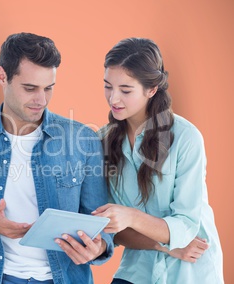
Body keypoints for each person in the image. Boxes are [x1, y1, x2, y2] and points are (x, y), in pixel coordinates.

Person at [0, 32, 114, 284]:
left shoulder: (83, 141)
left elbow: (100, 222)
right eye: (30, 88)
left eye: (48, 88)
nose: (41, 100)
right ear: (2, 76)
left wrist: (97, 248)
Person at [93, 37, 224, 283]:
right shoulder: (102, 141)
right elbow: (114, 231)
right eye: (108, 86)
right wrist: (163, 246)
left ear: (151, 89)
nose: (113, 99)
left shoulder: (186, 138)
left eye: (126, 90)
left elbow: (185, 227)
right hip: (138, 269)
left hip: (190, 269)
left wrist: (130, 217)